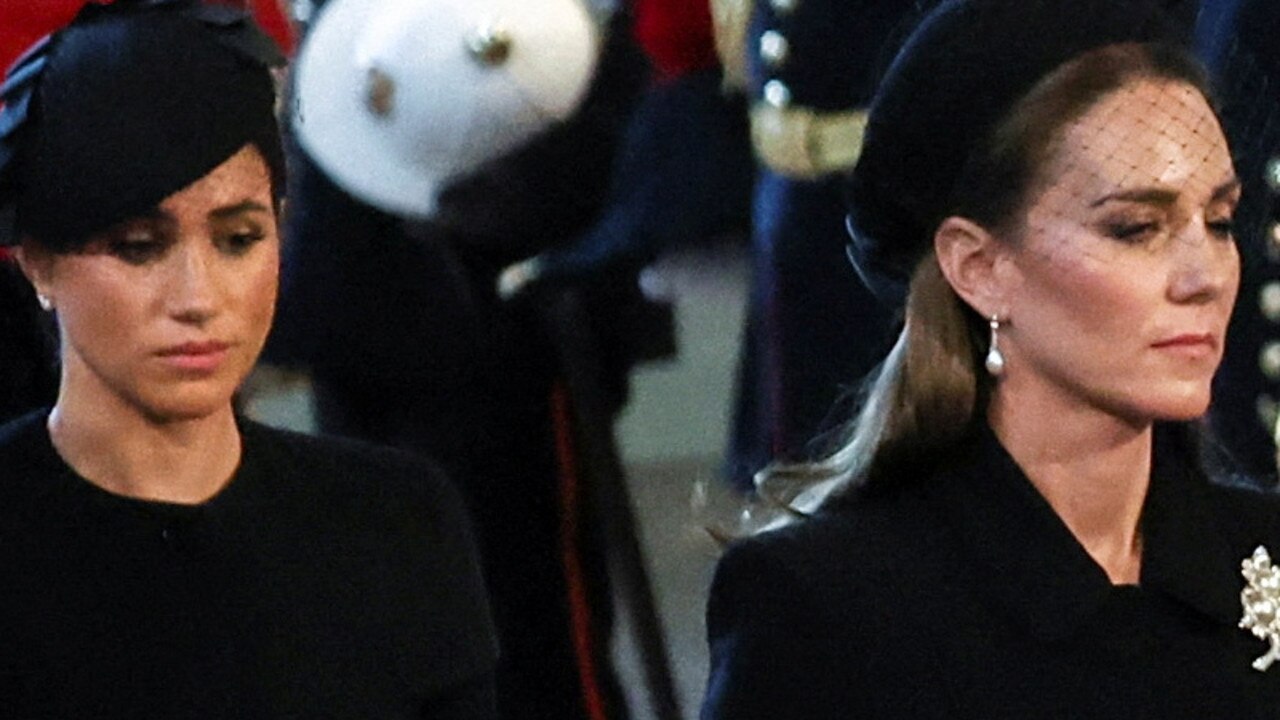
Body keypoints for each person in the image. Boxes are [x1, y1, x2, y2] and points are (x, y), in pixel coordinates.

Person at [701, 0, 1280, 717]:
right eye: (1136, 228)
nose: (1209, 275)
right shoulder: (827, 604)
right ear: (979, 269)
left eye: (1220, 221)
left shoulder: (1260, 556)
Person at [0, 2, 497, 717]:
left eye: (238, 238)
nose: (198, 298)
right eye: (140, 247)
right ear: (37, 264)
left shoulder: (394, 522)